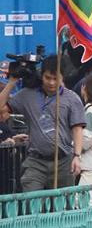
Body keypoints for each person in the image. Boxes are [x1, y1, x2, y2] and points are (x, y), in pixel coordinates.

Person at [0, 55, 86, 191]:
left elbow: (77, 129)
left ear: (63, 77)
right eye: (47, 78)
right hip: (35, 162)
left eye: (56, 78)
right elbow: (1, 109)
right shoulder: (26, 95)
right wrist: (12, 82)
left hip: (63, 161)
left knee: (63, 207)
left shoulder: (72, 98)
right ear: (41, 76)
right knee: (31, 202)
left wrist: (77, 156)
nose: (51, 83)